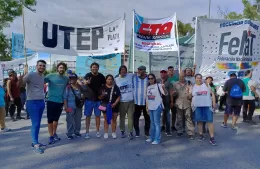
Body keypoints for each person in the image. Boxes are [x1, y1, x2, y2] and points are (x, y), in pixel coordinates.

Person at [23, 60, 47, 154]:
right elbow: (20, 84)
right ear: (36, 66)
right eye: (40, 65)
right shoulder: (30, 75)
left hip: (41, 101)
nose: (42, 67)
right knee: (35, 124)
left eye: (43, 66)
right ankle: (35, 144)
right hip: (32, 102)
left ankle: (35, 142)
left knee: (38, 123)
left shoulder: (42, 76)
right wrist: (21, 78)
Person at [189, 74, 217, 146]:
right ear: (195, 79)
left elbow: (212, 94)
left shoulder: (206, 85)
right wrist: (188, 91)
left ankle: (212, 138)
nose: (199, 79)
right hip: (197, 106)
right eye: (197, 78)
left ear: (202, 79)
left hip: (207, 105)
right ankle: (201, 135)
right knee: (199, 121)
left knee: (210, 122)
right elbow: (189, 97)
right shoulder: (193, 86)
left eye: (200, 78)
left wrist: (214, 102)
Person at [45, 62, 69, 144]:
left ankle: (54, 133)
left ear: (65, 69)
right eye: (60, 67)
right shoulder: (50, 76)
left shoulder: (66, 79)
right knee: (50, 119)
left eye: (63, 68)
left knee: (56, 119)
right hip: (51, 100)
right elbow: (40, 81)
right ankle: (51, 136)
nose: (61, 69)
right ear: (57, 68)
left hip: (60, 102)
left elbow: (71, 86)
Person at [83, 62, 105, 139]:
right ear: (91, 68)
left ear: (98, 68)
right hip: (88, 100)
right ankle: (87, 132)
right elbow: (84, 83)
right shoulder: (88, 75)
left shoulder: (101, 76)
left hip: (98, 100)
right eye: (93, 67)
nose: (94, 68)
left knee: (98, 116)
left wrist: (103, 95)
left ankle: (97, 131)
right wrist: (86, 82)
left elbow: (104, 86)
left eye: (96, 67)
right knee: (88, 116)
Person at [146, 73, 167, 145]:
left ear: (154, 79)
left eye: (152, 78)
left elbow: (165, 94)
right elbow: (147, 98)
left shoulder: (159, 85)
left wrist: (163, 88)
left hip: (157, 106)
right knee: (152, 123)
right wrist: (147, 107)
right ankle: (152, 137)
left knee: (156, 123)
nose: (150, 80)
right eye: (149, 78)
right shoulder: (148, 87)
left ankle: (157, 139)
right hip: (151, 107)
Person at [115, 65, 135, 140]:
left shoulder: (130, 76)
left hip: (130, 101)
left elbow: (138, 74)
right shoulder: (116, 79)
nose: (123, 71)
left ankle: (130, 132)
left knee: (130, 117)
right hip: (122, 102)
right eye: (122, 70)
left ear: (126, 71)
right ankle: (122, 131)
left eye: (124, 69)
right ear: (120, 71)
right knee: (122, 118)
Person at [173, 72, 195, 139]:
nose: (181, 77)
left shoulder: (189, 83)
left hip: (187, 102)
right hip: (178, 103)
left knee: (188, 118)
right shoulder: (175, 84)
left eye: (182, 76)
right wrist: (174, 93)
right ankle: (180, 131)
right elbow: (173, 94)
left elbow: (192, 92)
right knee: (179, 118)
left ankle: (191, 132)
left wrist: (189, 93)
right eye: (180, 76)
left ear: (185, 76)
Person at [98, 75, 121, 139]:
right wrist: (102, 95)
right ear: (106, 80)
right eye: (108, 79)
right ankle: (106, 133)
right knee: (106, 119)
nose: (110, 80)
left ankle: (113, 132)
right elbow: (99, 97)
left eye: (111, 79)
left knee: (114, 119)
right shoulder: (102, 87)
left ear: (113, 80)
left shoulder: (115, 87)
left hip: (114, 106)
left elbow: (119, 96)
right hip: (106, 106)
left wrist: (115, 103)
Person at [64, 73, 84, 140]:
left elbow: (83, 95)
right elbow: (65, 98)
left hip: (78, 106)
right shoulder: (67, 87)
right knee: (70, 120)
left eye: (73, 78)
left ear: (76, 79)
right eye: (71, 78)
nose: (72, 80)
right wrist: (66, 107)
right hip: (70, 105)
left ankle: (77, 132)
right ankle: (69, 133)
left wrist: (82, 97)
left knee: (78, 119)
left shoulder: (79, 86)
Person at [133, 65, 150, 138]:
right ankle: (137, 131)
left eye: (140, 70)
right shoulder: (134, 78)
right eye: (138, 70)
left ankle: (146, 132)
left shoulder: (149, 78)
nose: (138, 71)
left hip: (146, 102)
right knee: (135, 118)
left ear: (144, 71)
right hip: (136, 102)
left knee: (147, 118)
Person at [158, 69, 173, 136]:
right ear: (160, 74)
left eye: (164, 73)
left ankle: (168, 130)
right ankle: (161, 127)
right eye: (162, 73)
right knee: (158, 116)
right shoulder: (157, 81)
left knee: (167, 115)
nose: (163, 74)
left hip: (166, 101)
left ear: (166, 74)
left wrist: (172, 101)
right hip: (158, 101)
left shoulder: (169, 82)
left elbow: (171, 92)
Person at [167, 66, 179, 132]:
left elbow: (178, 87)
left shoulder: (176, 78)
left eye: (172, 70)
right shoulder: (166, 78)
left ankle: (173, 126)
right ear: (168, 71)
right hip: (167, 98)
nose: (171, 71)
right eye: (170, 70)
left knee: (174, 112)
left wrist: (175, 92)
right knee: (166, 113)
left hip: (174, 98)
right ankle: (164, 125)